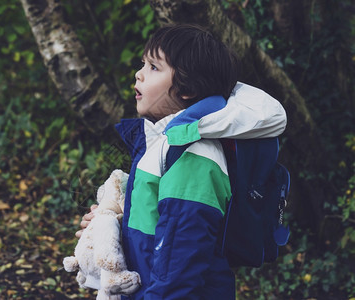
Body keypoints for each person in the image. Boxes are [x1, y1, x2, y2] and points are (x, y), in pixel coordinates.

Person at [76, 24, 287, 299]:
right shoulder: (165, 142)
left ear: (187, 88)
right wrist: (112, 222)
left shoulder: (194, 155)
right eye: (143, 64)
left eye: (154, 67)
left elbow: (180, 262)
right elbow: (156, 224)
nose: (139, 74)